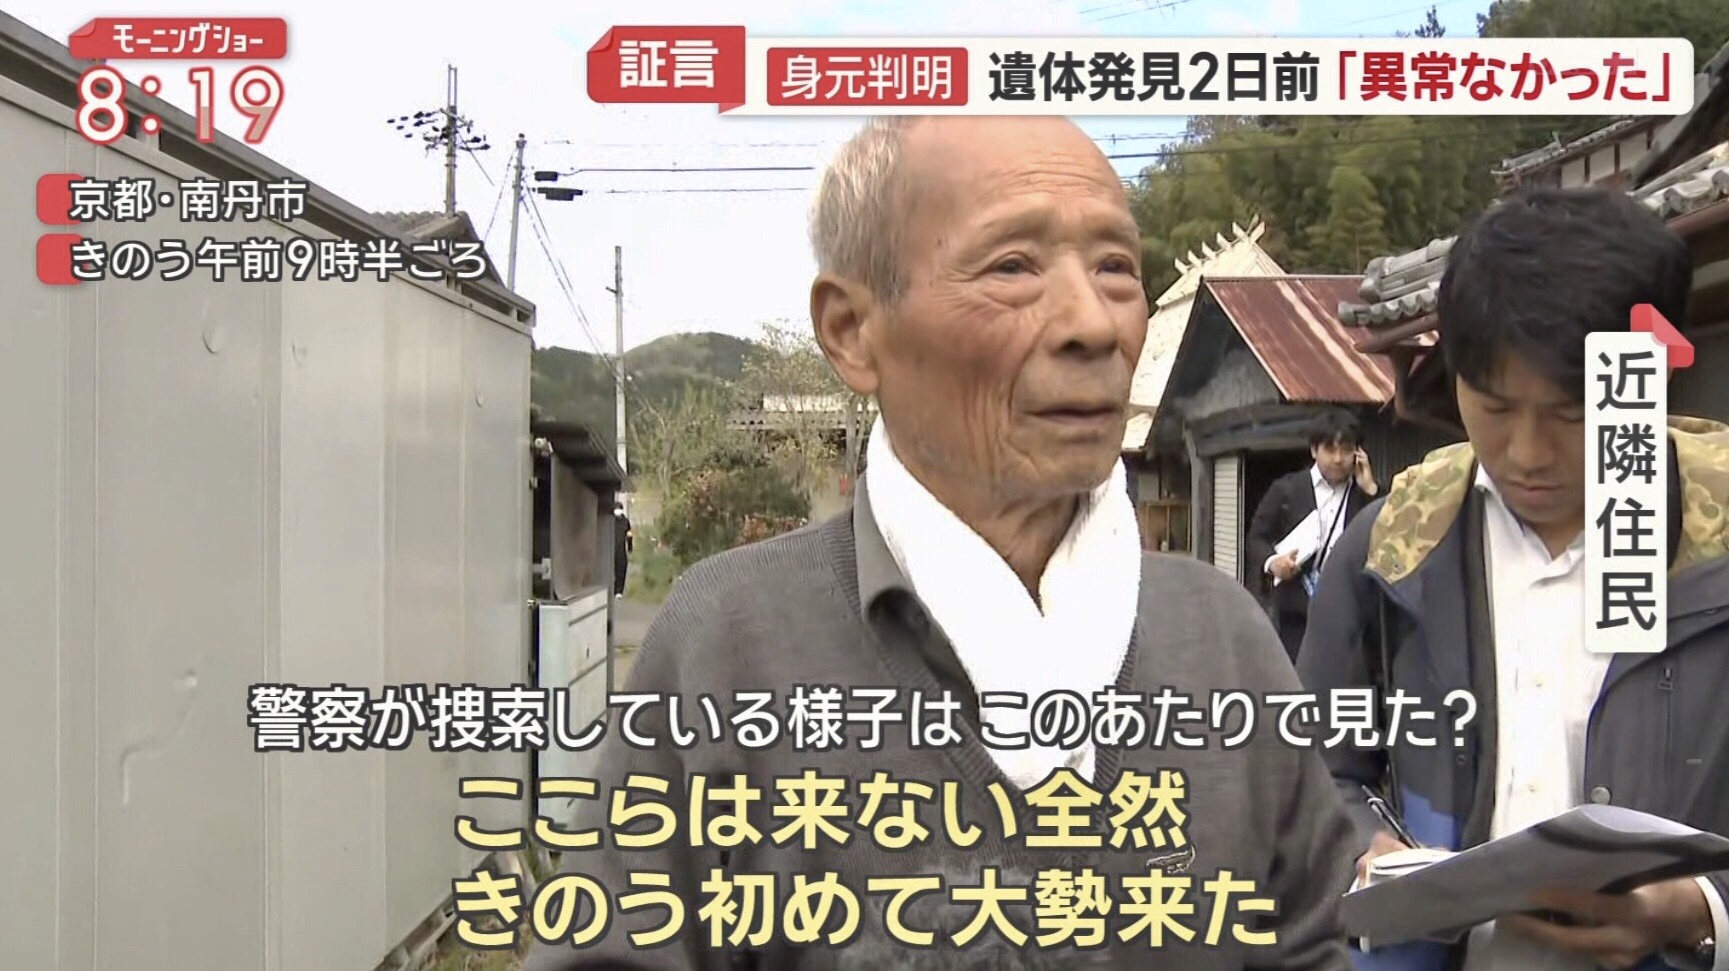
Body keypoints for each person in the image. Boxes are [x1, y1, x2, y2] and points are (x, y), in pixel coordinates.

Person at [525, 115, 1357, 970]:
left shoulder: (1223, 638)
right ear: (852, 330)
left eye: (1114, 267)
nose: (1094, 323)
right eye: (1012, 267)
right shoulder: (728, 643)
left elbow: (1314, 943)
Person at [1297, 186, 1729, 971]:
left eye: (1569, 414)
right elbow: (1318, 766)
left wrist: (1698, 907)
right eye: (1493, 408)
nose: (1526, 453)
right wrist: (1364, 847)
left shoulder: (1716, 542)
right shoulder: (1393, 546)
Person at [1245, 410, 1380, 661]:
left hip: (1349, 613)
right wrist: (1273, 563)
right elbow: (1256, 537)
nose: (1338, 459)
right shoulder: (1287, 490)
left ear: (1358, 453)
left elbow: (1387, 539)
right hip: (1297, 613)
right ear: (1314, 450)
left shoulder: (1365, 494)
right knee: (1297, 676)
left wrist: (1370, 490)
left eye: (1346, 450)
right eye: (1330, 449)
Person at [613, 502, 632, 597]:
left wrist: (630, 547)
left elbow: (629, 535)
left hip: (620, 549)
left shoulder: (625, 522)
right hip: (612, 548)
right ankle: (614, 589)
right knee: (613, 570)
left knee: (620, 569)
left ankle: (619, 590)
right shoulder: (611, 520)